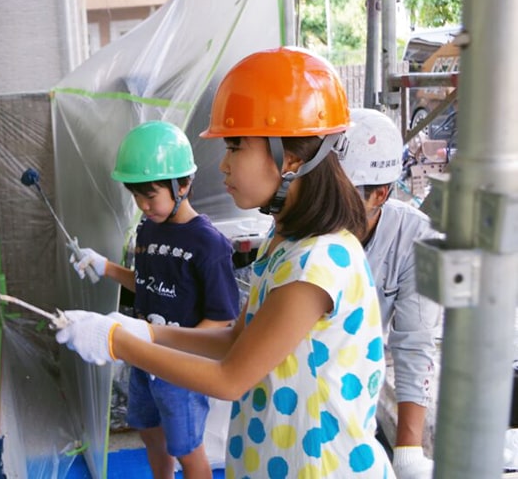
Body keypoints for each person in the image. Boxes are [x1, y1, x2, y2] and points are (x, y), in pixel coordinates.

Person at [56, 47, 394, 478]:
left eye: (235, 146)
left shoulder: (318, 262)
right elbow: (239, 337)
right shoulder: (283, 241)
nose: (225, 164)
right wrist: (147, 331)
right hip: (272, 458)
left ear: (289, 156)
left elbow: (231, 377)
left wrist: (118, 343)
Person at [71, 119, 240, 479]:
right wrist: (105, 267)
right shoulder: (147, 229)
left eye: (150, 195)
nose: (143, 205)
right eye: (136, 196)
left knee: (187, 447)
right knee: (149, 431)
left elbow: (222, 319)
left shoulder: (208, 245)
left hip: (182, 368)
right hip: (144, 358)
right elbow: (149, 284)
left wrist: (173, 350)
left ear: (184, 185)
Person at [337, 107, 442, 479]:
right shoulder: (305, 231)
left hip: (363, 371)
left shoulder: (415, 236)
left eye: (342, 195)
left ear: (379, 194)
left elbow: (414, 341)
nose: (326, 206)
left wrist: (409, 452)